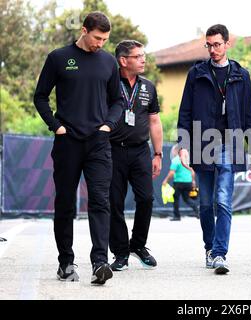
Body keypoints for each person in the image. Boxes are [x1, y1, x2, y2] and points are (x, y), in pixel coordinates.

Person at [33, 12, 124, 285]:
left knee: (100, 201)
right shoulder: (59, 58)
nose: (101, 44)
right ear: (84, 30)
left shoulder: (108, 61)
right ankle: (66, 263)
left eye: (105, 39)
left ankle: (99, 262)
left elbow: (117, 100)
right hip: (67, 141)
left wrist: (108, 125)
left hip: (98, 142)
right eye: (97, 38)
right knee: (65, 204)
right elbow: (40, 97)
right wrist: (55, 126)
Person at [177, 24, 251, 275]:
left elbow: (249, 114)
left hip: (229, 144)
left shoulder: (240, 75)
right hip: (203, 143)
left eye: (217, 44)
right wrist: (183, 145)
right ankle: (209, 247)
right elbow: (186, 112)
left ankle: (220, 253)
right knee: (205, 203)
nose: (213, 49)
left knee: (222, 200)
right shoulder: (196, 74)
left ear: (227, 44)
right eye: (209, 45)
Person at [107, 40, 163, 272]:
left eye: (143, 55)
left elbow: (154, 121)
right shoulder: (108, 85)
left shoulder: (148, 87)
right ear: (123, 60)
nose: (143, 59)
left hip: (141, 150)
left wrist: (158, 153)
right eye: (138, 56)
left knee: (146, 199)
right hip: (112, 149)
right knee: (114, 203)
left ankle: (138, 245)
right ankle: (120, 253)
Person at [162, 145, 199, 221]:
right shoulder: (187, 160)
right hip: (188, 182)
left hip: (178, 182)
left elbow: (172, 173)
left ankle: (177, 216)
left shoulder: (176, 160)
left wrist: (165, 180)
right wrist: (193, 181)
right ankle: (198, 211)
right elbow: (192, 171)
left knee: (176, 199)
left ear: (176, 151)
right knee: (187, 199)